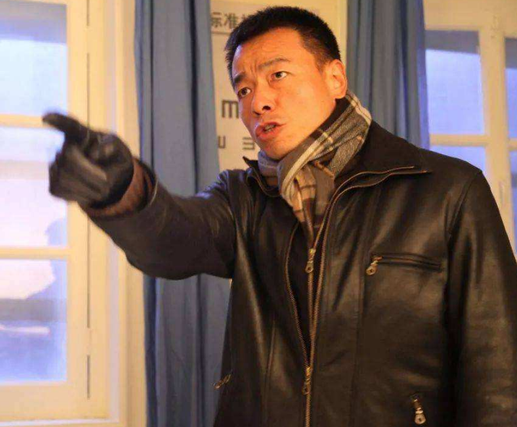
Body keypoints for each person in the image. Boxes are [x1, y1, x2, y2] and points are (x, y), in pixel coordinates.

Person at [44, 6, 517, 427]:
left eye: (278, 75)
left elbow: (498, 367)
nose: (258, 101)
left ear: (335, 79)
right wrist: (122, 189)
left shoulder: (447, 190)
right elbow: (173, 241)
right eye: (244, 88)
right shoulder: (244, 198)